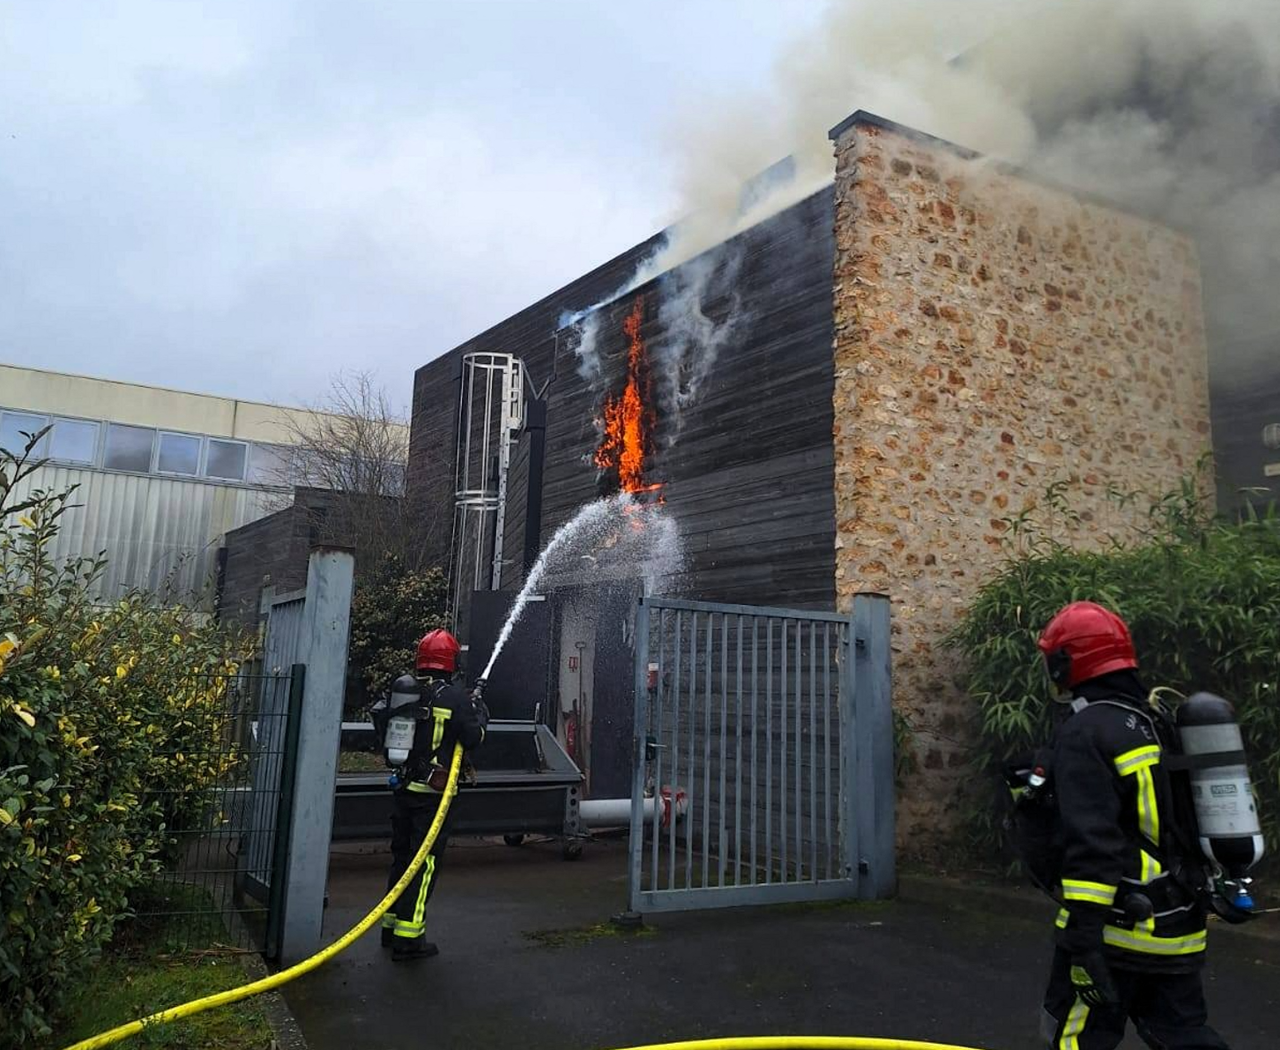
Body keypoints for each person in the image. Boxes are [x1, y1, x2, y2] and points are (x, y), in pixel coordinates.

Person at [1033, 601, 1230, 1050]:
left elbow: (1093, 843)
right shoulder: (1155, 721)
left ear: (1065, 662)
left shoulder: (1086, 731)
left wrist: (1082, 939)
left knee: (1074, 1038)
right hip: (1178, 931)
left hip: (1116, 933)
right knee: (1185, 1036)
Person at [379, 628, 487, 962]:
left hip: (404, 788)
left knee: (401, 857)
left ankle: (391, 925)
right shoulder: (454, 697)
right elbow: (474, 739)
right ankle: (409, 939)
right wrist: (480, 712)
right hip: (433, 795)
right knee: (423, 864)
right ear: (451, 662)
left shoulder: (406, 691)